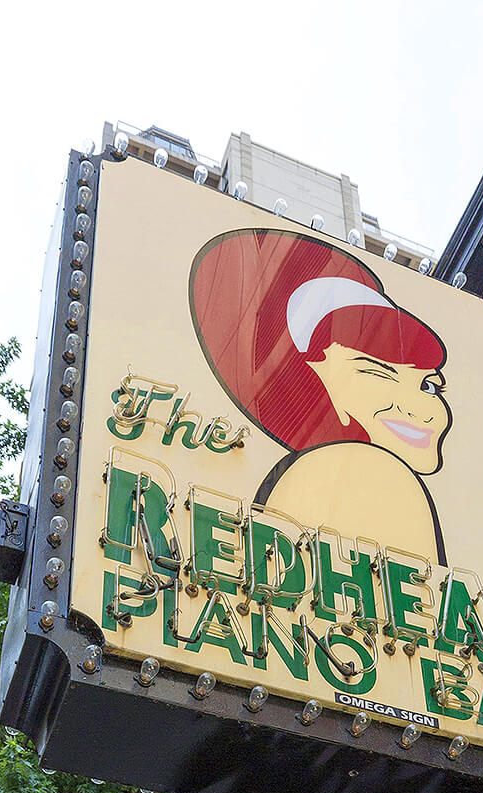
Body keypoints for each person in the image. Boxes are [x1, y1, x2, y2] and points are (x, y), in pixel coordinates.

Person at [190, 229, 452, 562]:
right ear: (317, 387)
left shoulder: (356, 479)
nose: (423, 410)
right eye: (378, 376)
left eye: (429, 386)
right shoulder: (372, 476)